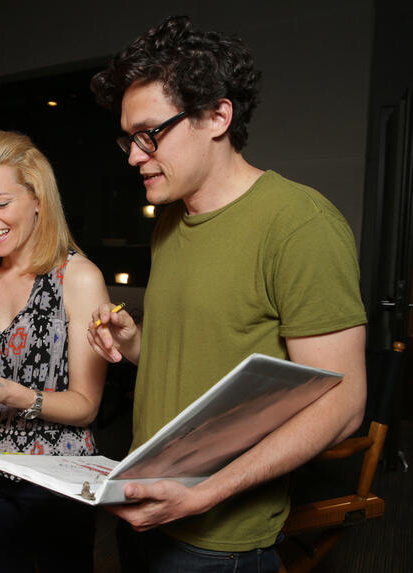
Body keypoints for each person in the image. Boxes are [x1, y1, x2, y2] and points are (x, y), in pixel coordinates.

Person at [87, 15, 367, 573]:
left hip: (220, 541)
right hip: (142, 507)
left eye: (150, 134)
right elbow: (203, 360)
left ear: (218, 116)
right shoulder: (170, 220)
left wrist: (203, 494)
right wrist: (136, 342)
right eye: (128, 138)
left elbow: (343, 405)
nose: (134, 156)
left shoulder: (299, 225)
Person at [0, 130, 109, 573]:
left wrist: (10, 393)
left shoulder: (79, 278)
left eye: (1, 203)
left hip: (58, 477)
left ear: (37, 200)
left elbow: (85, 407)